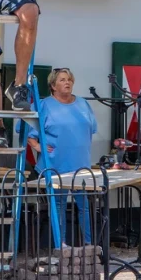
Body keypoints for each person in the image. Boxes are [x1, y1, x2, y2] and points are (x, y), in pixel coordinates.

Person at [27, 68, 97, 246]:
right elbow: (28, 133)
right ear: (53, 85)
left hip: (81, 164)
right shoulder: (44, 105)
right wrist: (38, 147)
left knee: (84, 207)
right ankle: (61, 244)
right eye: (62, 80)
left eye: (69, 80)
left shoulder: (82, 104)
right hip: (56, 164)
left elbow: (91, 129)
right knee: (58, 204)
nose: (67, 83)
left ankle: (89, 244)